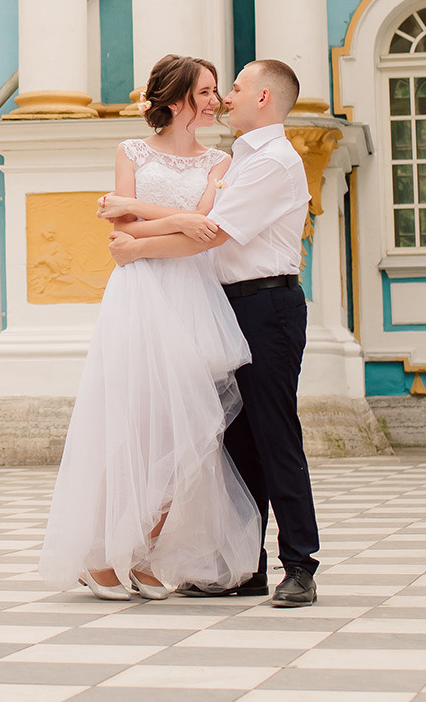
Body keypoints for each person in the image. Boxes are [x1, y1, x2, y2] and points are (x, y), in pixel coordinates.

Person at [37, 55, 261, 602]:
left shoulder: (220, 160)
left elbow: (203, 228)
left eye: (216, 91)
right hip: (140, 296)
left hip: (194, 296)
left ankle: (140, 552)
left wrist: (144, 212)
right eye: (205, 91)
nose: (215, 101)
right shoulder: (131, 151)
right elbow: (121, 232)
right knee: (134, 425)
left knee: (187, 432)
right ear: (178, 98)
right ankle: (100, 556)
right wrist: (174, 219)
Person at [108, 58, 321, 608]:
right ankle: (246, 567)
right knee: (237, 439)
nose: (226, 96)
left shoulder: (272, 162)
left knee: (275, 434)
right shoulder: (241, 158)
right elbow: (197, 225)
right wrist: (138, 231)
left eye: (237, 87)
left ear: (263, 99)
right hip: (229, 304)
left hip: (268, 304)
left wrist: (135, 242)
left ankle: (300, 564)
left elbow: (212, 234)